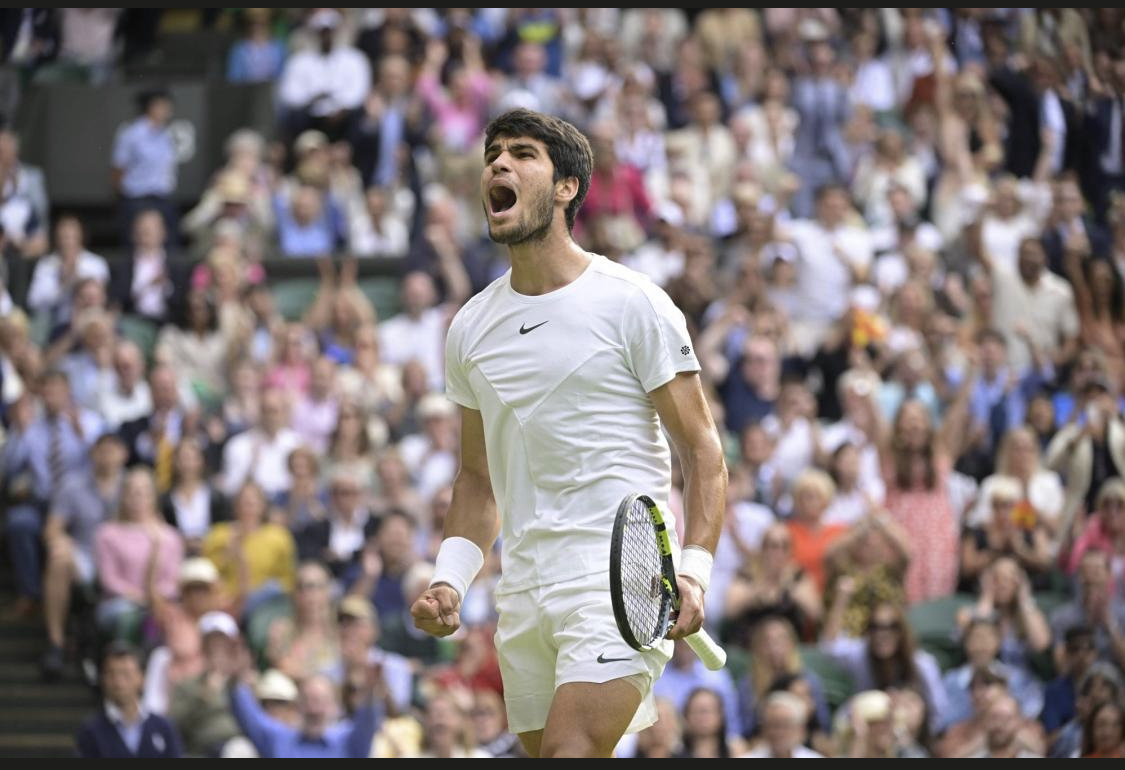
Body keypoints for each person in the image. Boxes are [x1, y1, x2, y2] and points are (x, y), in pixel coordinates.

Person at [409, 108, 727, 758]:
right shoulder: (469, 328)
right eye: (492, 155)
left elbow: (703, 454)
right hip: (523, 590)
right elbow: (478, 480)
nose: (498, 164)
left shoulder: (633, 302)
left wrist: (693, 573)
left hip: (620, 580)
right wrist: (450, 580)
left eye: (521, 154)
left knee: (568, 752)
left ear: (566, 188)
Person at [75, 641, 183, 758]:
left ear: (142, 678)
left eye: (126, 674)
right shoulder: (90, 731)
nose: (118, 682)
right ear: (103, 679)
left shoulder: (163, 727)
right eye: (111, 674)